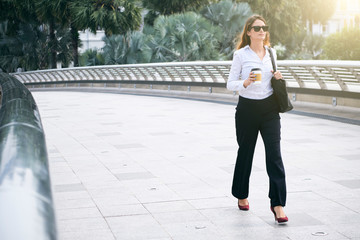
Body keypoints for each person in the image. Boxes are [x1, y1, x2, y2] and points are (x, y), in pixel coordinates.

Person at [227, 15, 288, 223]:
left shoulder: (271, 52)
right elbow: (229, 83)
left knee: (275, 156)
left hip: (270, 109)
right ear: (249, 32)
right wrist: (244, 82)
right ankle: (241, 194)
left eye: (264, 27)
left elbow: (273, 78)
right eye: (257, 28)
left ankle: (278, 204)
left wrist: (278, 77)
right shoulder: (240, 55)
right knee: (245, 153)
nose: (262, 30)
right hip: (247, 110)